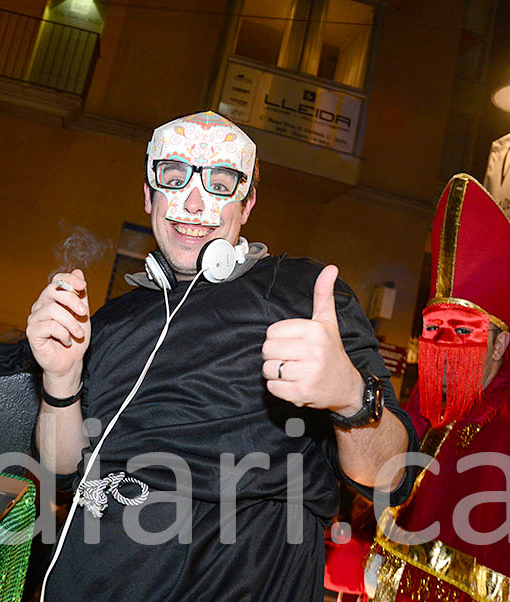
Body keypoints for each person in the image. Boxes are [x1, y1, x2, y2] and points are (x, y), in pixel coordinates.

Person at [27, 111, 419, 601]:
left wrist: (349, 398)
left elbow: (393, 475)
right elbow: (63, 474)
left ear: (247, 204)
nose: (192, 204)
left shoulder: (302, 294)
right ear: (149, 195)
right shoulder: (108, 321)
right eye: (174, 178)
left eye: (219, 182)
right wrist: (60, 379)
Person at [349, 174, 510, 602]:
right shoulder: (421, 413)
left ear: (500, 343)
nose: (443, 347)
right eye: (433, 328)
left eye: (463, 330)